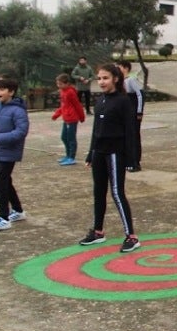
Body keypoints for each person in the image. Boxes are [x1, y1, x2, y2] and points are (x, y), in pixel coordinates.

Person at [79, 63, 140, 253]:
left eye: (105, 78)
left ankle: (131, 236)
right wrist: (91, 152)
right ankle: (98, 231)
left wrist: (132, 159)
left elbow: (131, 131)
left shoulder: (123, 101)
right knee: (98, 191)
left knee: (116, 192)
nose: (101, 82)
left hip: (115, 152)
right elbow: (96, 131)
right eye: (99, 78)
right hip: (99, 152)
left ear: (115, 79)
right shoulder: (101, 100)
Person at [0, 77, 29, 231]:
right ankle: (18, 211)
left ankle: (3, 218)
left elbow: (21, 132)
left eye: (2, 89)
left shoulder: (18, 110)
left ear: (11, 92)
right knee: (6, 182)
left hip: (10, 152)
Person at [51, 73, 85, 166]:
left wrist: (81, 117)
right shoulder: (62, 92)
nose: (59, 86)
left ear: (67, 83)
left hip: (72, 118)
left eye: (61, 84)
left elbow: (77, 105)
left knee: (71, 138)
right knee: (64, 137)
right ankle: (67, 155)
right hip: (66, 118)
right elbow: (63, 105)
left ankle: (71, 157)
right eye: (58, 84)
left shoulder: (70, 92)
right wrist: (56, 115)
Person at [117, 60, 144, 172]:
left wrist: (139, 111)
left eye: (120, 67)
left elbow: (140, 95)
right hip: (126, 112)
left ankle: (135, 162)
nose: (118, 70)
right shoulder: (120, 81)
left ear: (126, 68)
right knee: (127, 136)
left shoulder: (131, 80)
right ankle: (128, 160)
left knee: (134, 137)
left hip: (133, 111)